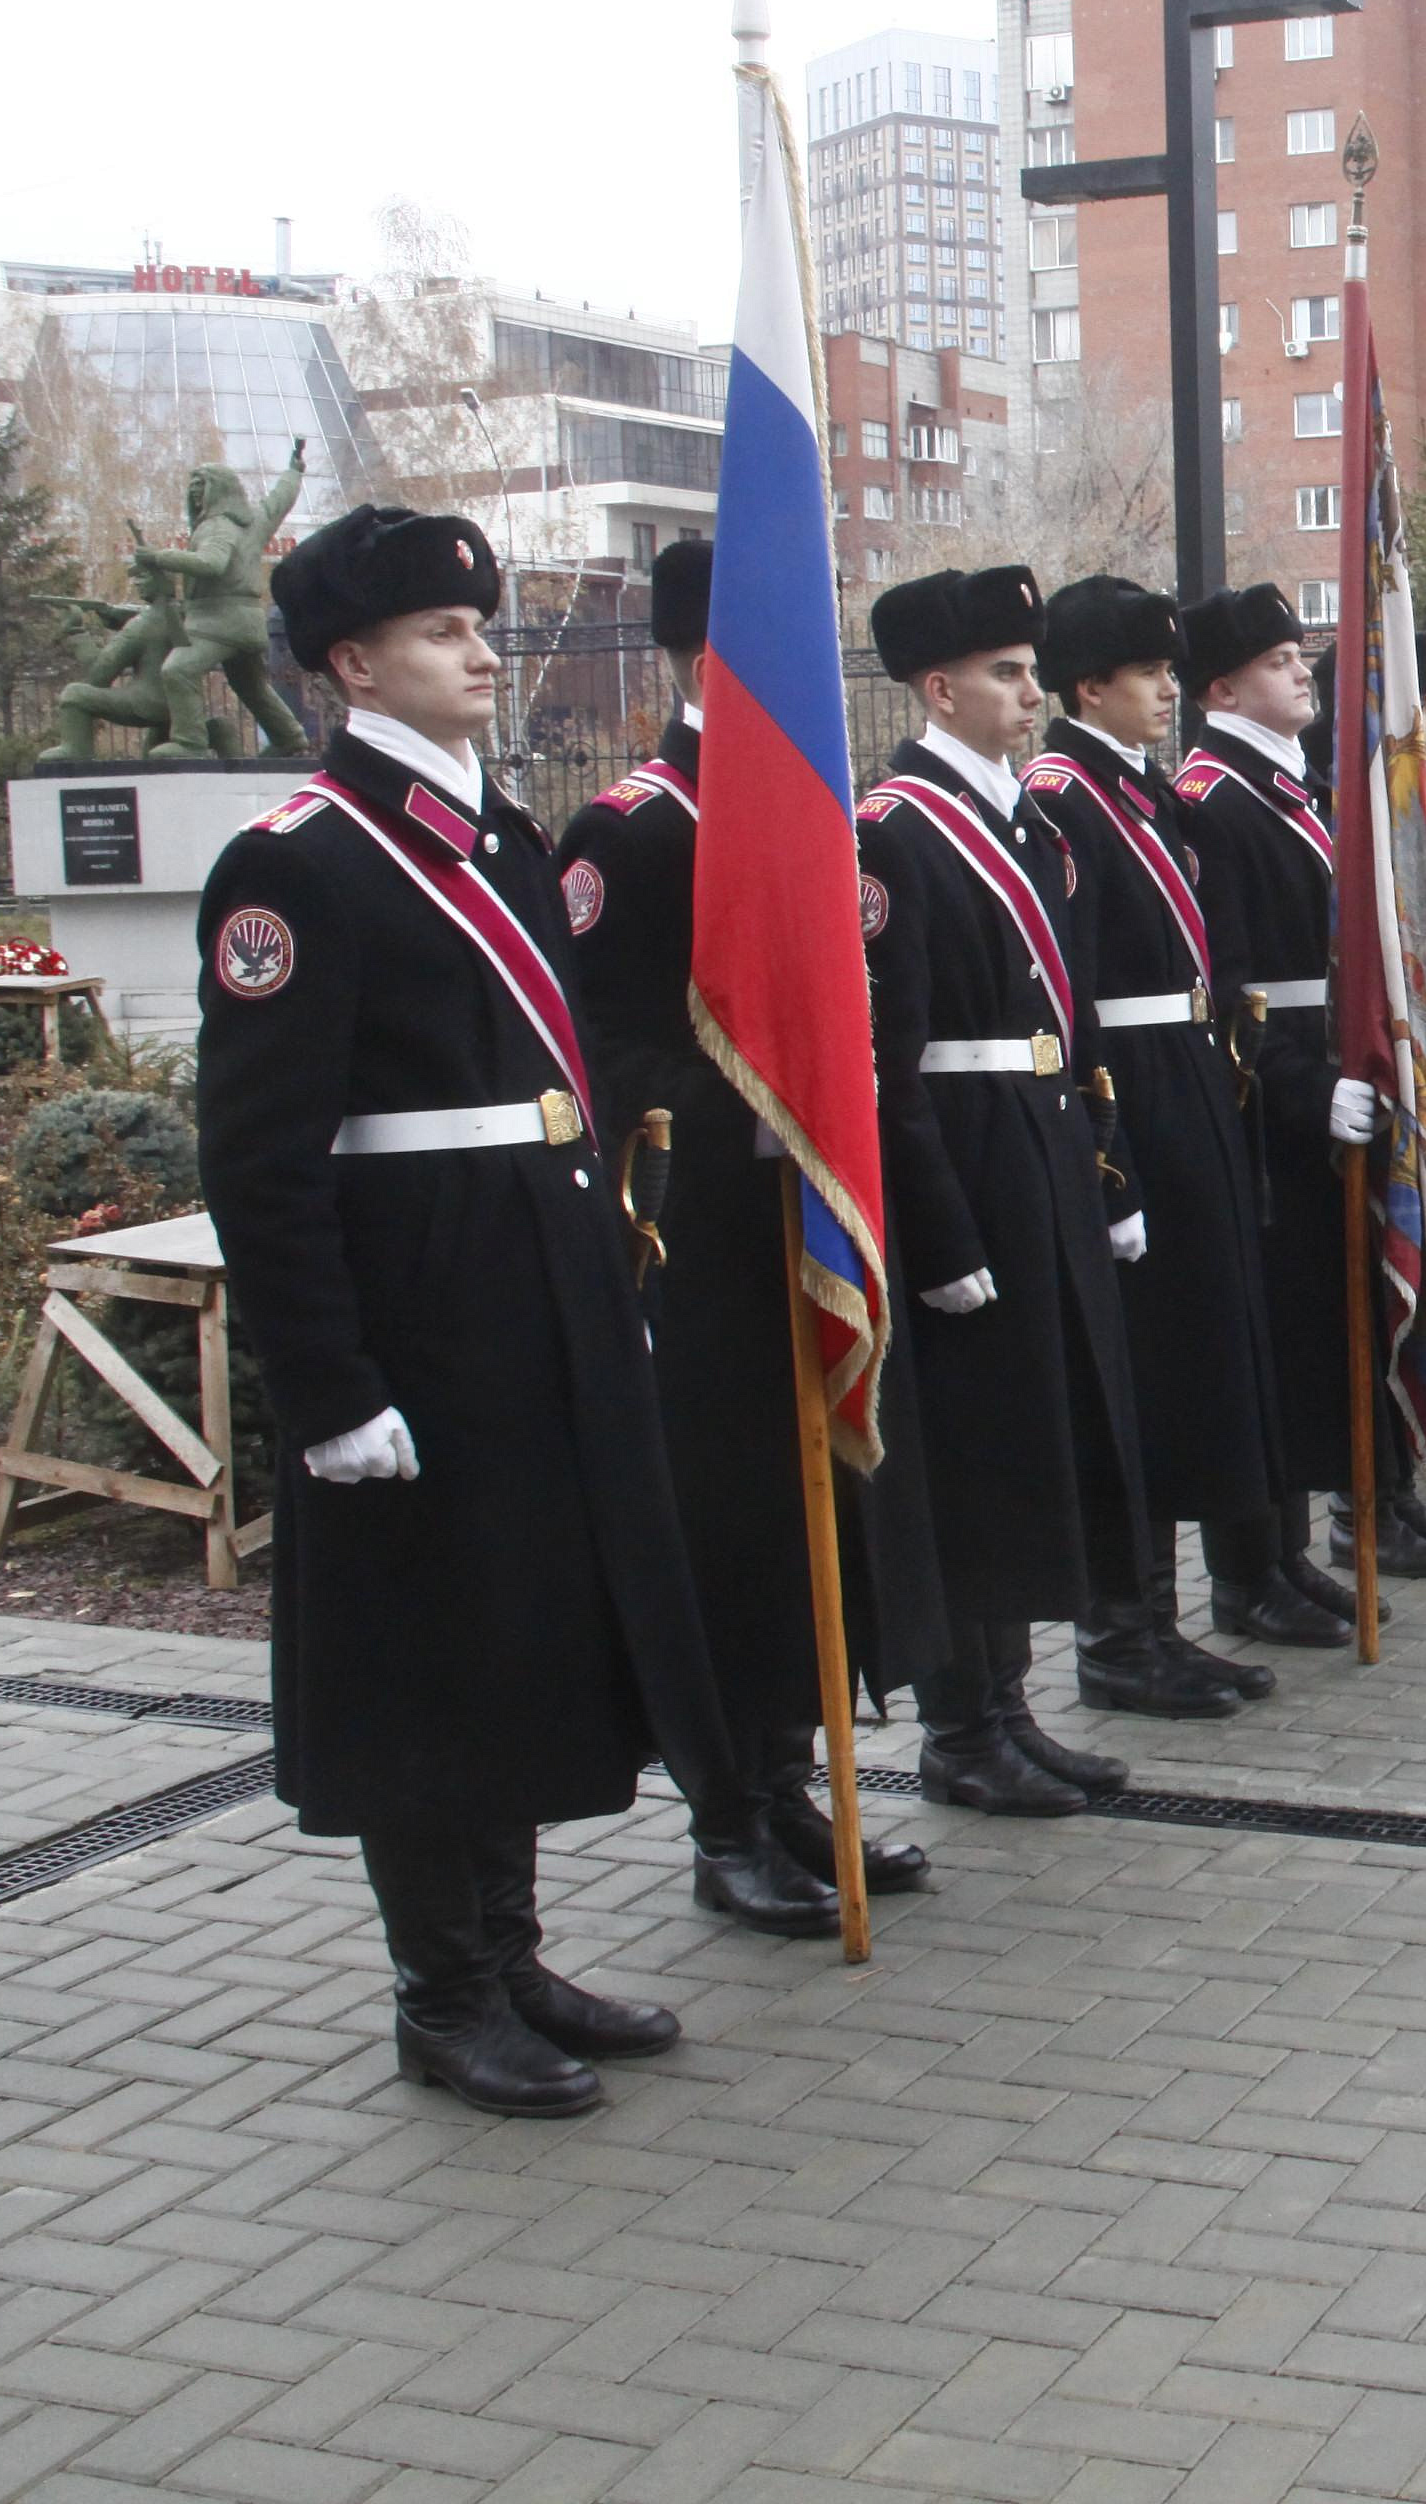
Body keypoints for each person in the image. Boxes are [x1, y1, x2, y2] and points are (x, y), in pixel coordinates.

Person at [210, 503, 831, 2123]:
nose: (483, 650)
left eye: (477, 626)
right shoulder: (294, 865)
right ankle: (445, 1994)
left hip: (531, 1287)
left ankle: (514, 1948)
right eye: (440, 632)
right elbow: (262, 1167)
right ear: (352, 663)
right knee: (427, 1656)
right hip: (416, 1311)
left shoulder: (491, 837)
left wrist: (597, 1290)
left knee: (514, 1641)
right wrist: (328, 1393)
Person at [553, 540, 932, 1917]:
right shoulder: (635, 828)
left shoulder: (821, 809)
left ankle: (794, 1787)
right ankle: (727, 1825)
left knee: (810, 1512)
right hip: (706, 1236)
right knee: (725, 1525)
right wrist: (747, 1119)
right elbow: (605, 1049)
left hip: (816, 1221)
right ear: (703, 650)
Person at [859, 564, 1157, 1808]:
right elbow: (889, 1060)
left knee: (1042, 1429)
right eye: (1006, 673)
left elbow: (1074, 1022)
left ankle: (1014, 1704)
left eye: (1035, 671)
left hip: (1043, 1137)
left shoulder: (1025, 821)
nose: (1033, 693)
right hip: (968, 1151)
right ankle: (959, 1730)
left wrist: (1111, 1171)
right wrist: (934, 1228)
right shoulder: (894, 825)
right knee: (975, 1448)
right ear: (940, 686)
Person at [1025, 575, 1331, 1672]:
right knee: (1152, 1360)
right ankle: (1127, 1624)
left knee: (1222, 1339)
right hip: (1131, 1093)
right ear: (1091, 683)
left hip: (1194, 1075)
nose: (1168, 690)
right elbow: (1072, 983)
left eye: (1170, 670)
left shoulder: (1151, 794)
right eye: (1149, 673)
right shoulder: (1061, 795)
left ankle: (1254, 1568)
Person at [1171, 584, 1426, 1589]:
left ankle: (1344, 1516)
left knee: (1336, 1314)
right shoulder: (1212, 799)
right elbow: (1228, 980)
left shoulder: (1291, 789)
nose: (1301, 671)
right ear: (1223, 687)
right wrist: (1299, 1084)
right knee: (1281, 1329)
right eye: (1279, 661)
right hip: (1276, 1105)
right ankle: (1255, 1568)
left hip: (1342, 1075)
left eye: (1299, 655)